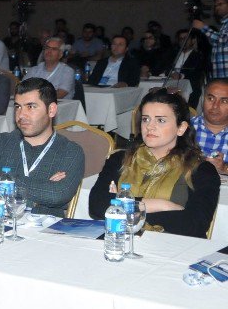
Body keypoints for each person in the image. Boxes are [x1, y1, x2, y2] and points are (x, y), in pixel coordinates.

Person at [90, 90, 219, 238]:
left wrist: (121, 206)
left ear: (181, 128)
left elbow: (194, 224)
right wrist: (162, 205)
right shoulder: (120, 159)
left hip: (172, 250)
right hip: (120, 241)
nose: (150, 126)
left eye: (160, 120)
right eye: (145, 119)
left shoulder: (201, 170)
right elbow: (97, 206)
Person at [0, 78, 85, 217]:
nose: (21, 115)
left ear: (51, 110)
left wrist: (4, 179)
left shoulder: (70, 151)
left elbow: (57, 195)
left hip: (41, 233)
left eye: (31, 106)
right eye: (18, 107)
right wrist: (39, 196)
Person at [192, 79, 228, 169]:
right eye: (211, 99)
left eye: (224, 101)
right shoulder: (185, 128)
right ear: (202, 100)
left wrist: (224, 168)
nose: (215, 106)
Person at [194, 0, 228, 79]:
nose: (217, 7)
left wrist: (203, 27)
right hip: (221, 72)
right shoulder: (224, 24)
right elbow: (217, 43)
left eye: (220, 4)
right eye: (216, 5)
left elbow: (222, 41)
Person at [169, 31, 205, 106]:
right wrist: (172, 73)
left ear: (192, 40)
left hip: (190, 87)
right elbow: (166, 68)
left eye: (186, 38)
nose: (183, 41)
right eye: (181, 39)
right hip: (170, 85)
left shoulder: (198, 56)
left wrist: (181, 75)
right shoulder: (172, 54)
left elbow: (197, 73)